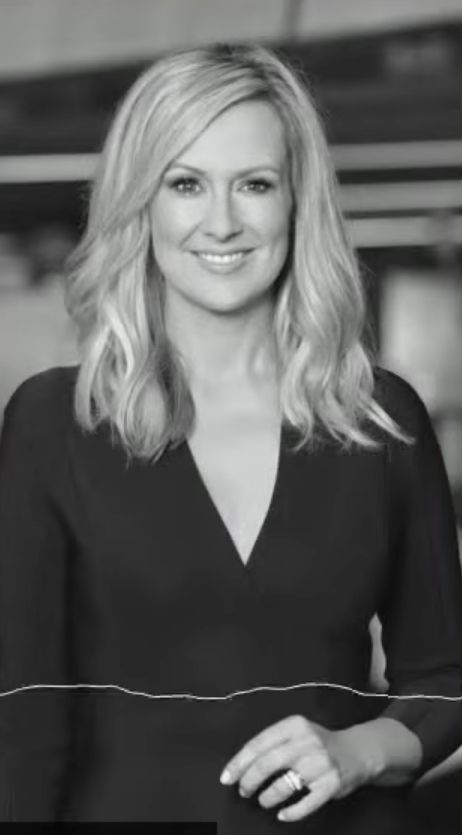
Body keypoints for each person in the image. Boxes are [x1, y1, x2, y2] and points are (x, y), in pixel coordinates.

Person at [0, 43, 461, 832]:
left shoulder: (378, 418)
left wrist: (359, 749)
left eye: (254, 184)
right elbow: (23, 720)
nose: (221, 221)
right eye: (186, 184)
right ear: (141, 204)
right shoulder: (54, 422)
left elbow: (444, 678)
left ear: (296, 203)